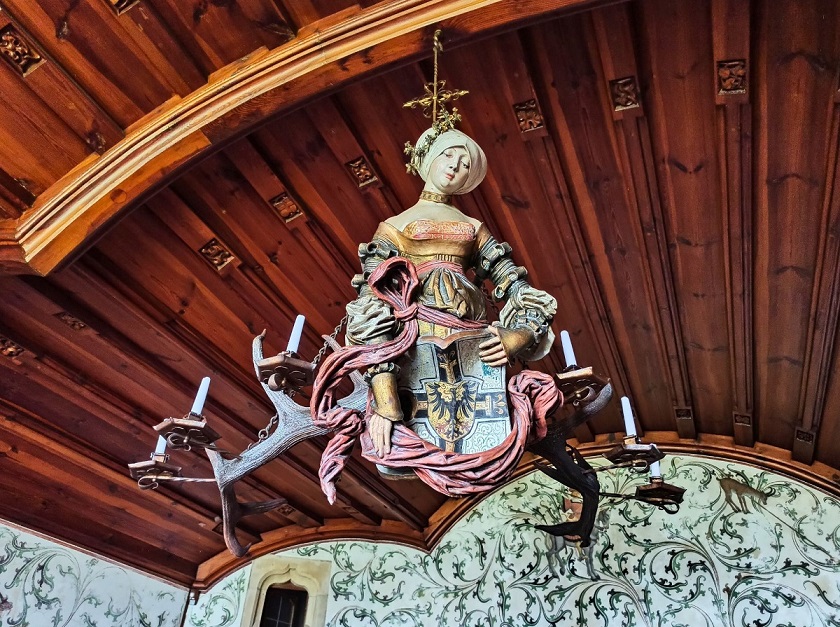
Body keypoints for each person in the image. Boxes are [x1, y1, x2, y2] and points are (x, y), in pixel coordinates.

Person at [342, 123, 558, 468]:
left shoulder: (473, 227)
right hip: (415, 334)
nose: (456, 166)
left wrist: (519, 335)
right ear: (428, 158)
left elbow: (519, 288)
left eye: (466, 164)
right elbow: (371, 300)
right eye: (449, 155)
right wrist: (385, 398)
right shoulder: (394, 226)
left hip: (473, 340)